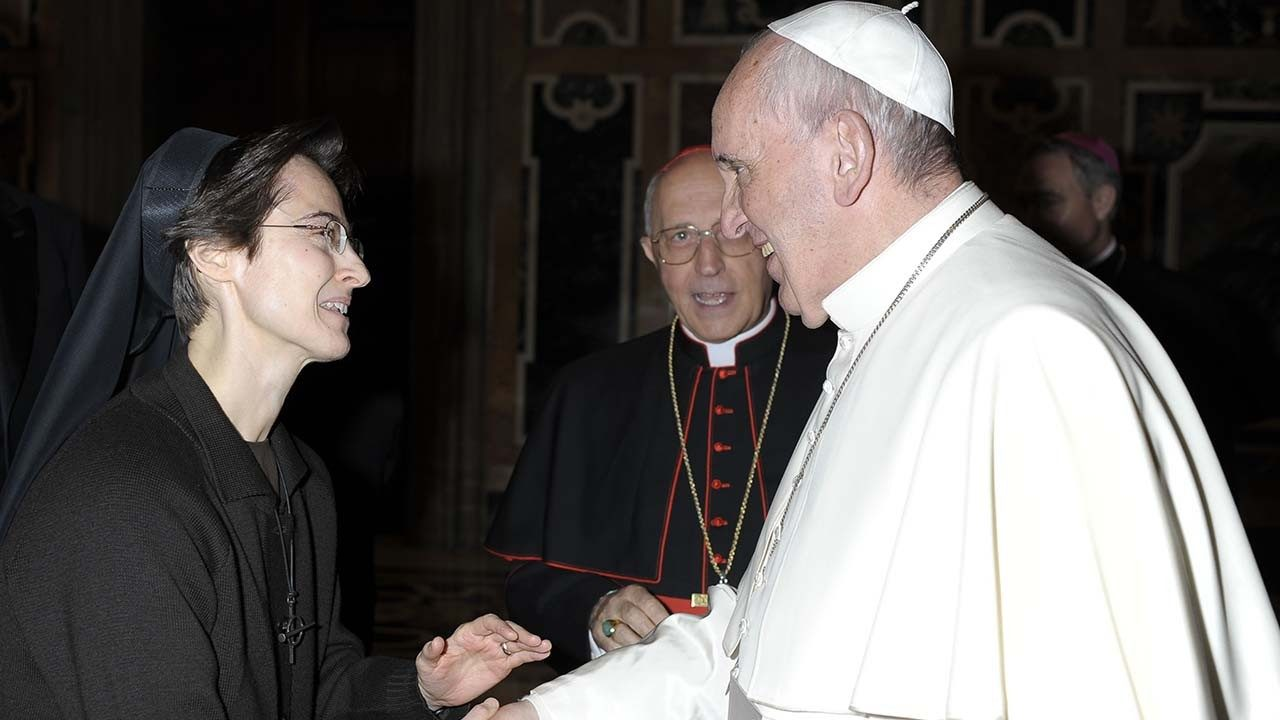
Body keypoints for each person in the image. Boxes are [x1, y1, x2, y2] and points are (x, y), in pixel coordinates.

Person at [489, 3, 1280, 718]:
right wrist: (547, 715)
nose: (731, 222)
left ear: (845, 154)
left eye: (740, 173)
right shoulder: (887, 324)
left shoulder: (1026, 342)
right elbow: (755, 644)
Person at [0, 120, 550, 720]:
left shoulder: (300, 475)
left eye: (350, 240)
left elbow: (316, 685)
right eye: (322, 233)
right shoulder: (124, 499)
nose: (358, 271)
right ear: (215, 253)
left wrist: (423, 691)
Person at [485, 146, 834, 669]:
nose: (708, 264)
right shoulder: (588, 391)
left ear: (767, 240)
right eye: (681, 237)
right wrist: (596, 613)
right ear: (652, 254)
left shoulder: (843, 371)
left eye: (732, 232)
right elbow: (529, 578)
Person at [1022, 132, 1258, 476]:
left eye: (1048, 201)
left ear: (1102, 201)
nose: (1029, 219)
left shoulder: (1178, 306)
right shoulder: (1021, 289)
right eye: (1024, 202)